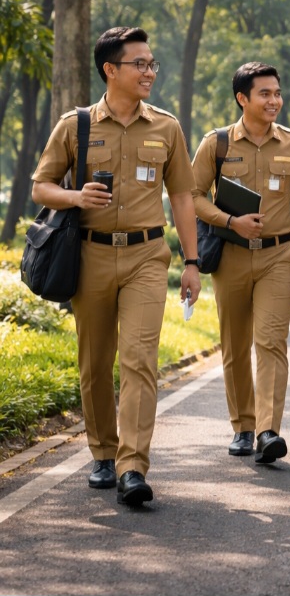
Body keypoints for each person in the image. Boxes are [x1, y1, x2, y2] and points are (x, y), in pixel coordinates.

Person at [31, 26, 202, 506]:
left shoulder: (166, 127)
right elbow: (40, 186)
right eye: (139, 64)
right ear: (111, 70)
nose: (149, 72)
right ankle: (103, 453)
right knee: (95, 361)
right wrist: (75, 195)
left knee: (139, 359)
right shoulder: (76, 125)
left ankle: (132, 466)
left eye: (152, 64)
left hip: (148, 256)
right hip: (90, 254)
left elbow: (183, 198)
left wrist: (192, 262)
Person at [192, 62, 290, 464]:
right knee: (235, 344)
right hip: (230, 256)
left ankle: (267, 430)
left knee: (271, 342)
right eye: (265, 93)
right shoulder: (217, 144)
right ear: (242, 98)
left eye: (277, 93)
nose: (274, 101)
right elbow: (193, 196)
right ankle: (243, 427)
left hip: (278, 256)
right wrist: (230, 221)